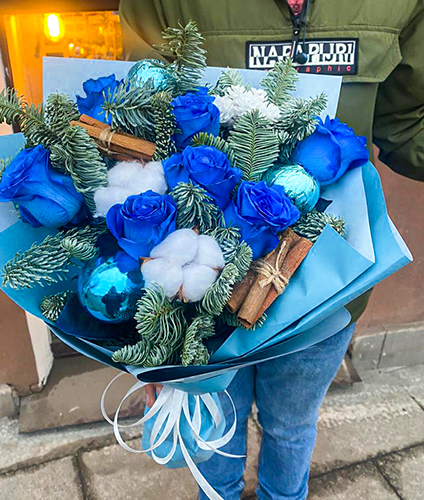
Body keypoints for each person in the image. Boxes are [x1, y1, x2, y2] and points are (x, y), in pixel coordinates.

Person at [119, 0, 424, 498]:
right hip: (204, 293)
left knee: (291, 426)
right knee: (217, 431)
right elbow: (139, 120)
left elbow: (405, 123)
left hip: (325, 288)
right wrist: (154, 339)